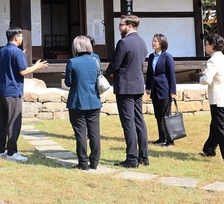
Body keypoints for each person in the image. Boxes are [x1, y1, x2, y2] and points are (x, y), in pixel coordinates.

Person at [0, 26, 49, 162]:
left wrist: (22, 55)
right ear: (16, 37)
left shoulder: (2, 51)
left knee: (2, 121)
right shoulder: (17, 52)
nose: (22, 39)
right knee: (14, 121)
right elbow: (23, 71)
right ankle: (12, 152)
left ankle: (1, 150)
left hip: (1, 91)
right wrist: (37, 66)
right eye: (21, 36)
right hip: (13, 91)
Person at [105, 14, 149, 168]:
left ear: (129, 26)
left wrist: (107, 73)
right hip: (137, 86)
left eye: (121, 25)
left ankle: (131, 158)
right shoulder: (142, 42)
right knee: (139, 121)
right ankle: (144, 156)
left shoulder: (124, 43)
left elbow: (115, 64)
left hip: (125, 87)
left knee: (128, 123)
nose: (119, 27)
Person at [199, 33, 224, 165]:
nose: (205, 46)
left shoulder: (212, 61)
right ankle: (209, 149)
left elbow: (207, 80)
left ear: (212, 45)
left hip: (218, 99)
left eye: (206, 44)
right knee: (215, 125)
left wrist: (201, 76)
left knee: (221, 128)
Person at [64, 35, 102, 171]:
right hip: (94, 100)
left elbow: (68, 82)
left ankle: (83, 162)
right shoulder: (95, 61)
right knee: (94, 133)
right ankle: (95, 161)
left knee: (80, 133)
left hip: (77, 101)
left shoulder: (72, 62)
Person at [145, 34, 177, 146]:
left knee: (166, 115)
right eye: (153, 41)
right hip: (154, 89)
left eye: (156, 41)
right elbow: (149, 74)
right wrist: (148, 87)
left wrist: (173, 91)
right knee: (158, 115)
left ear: (162, 43)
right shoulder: (151, 57)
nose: (153, 43)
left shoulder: (167, 57)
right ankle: (161, 138)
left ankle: (170, 140)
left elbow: (171, 75)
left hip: (164, 89)